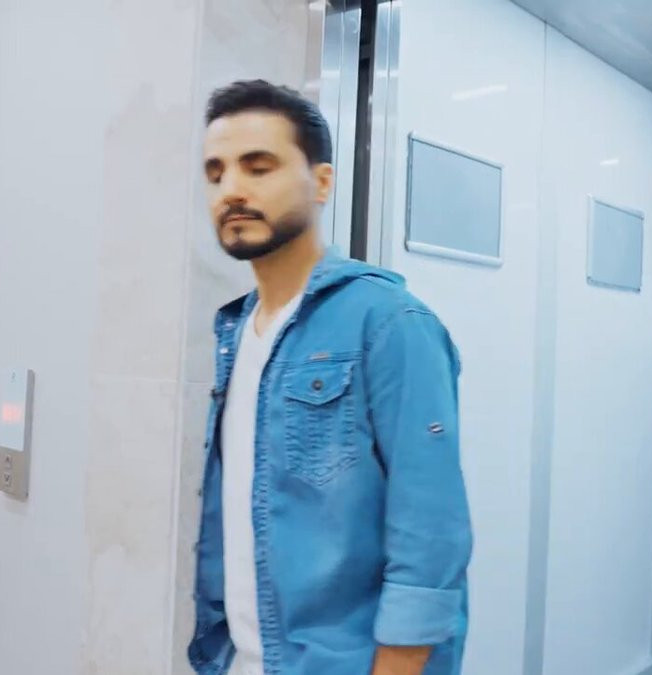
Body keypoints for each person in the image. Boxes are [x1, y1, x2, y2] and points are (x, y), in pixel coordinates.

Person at [187, 79, 472, 675]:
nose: (231, 189)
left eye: (258, 167)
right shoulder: (236, 331)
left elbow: (430, 540)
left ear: (321, 182)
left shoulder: (389, 324)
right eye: (216, 173)